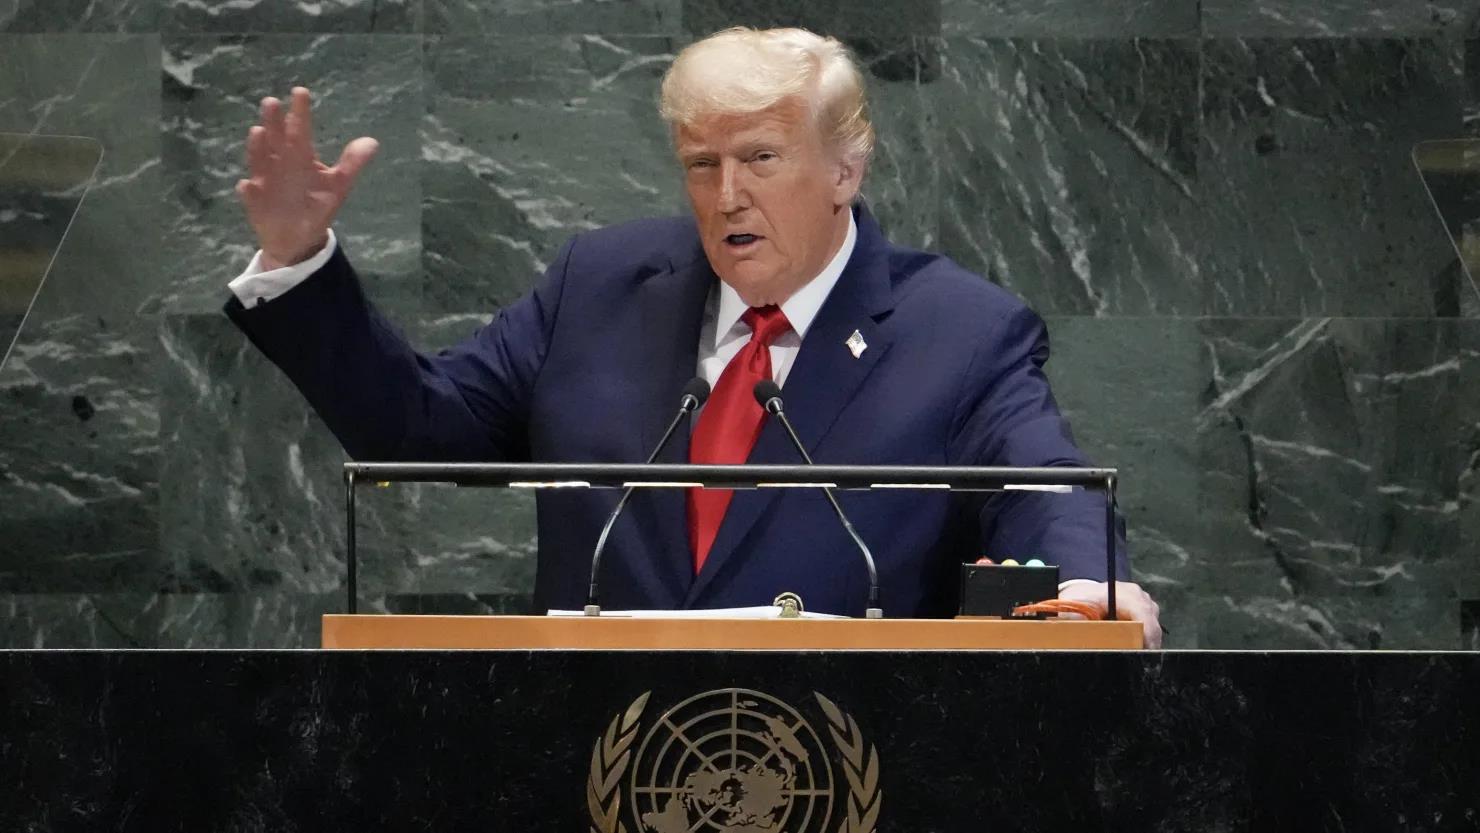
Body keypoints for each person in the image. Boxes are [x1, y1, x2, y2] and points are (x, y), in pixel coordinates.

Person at [226, 27, 1162, 645]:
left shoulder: (959, 330)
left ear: (846, 167)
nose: (726, 197)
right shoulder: (599, 287)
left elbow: (1043, 484)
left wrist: (1089, 585)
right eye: (701, 164)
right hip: (591, 761)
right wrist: (302, 259)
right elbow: (421, 433)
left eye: (759, 158)